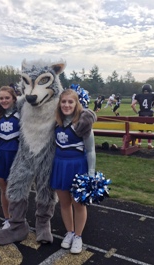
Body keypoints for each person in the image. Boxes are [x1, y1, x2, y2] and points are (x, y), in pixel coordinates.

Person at [50, 89, 96, 254]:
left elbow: (91, 151)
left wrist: (91, 173)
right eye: (64, 102)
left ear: (77, 104)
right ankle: (69, 232)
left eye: (71, 102)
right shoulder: (56, 122)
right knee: (64, 203)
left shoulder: (83, 124)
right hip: (60, 165)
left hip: (77, 166)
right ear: (59, 104)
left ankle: (78, 235)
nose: (67, 105)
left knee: (78, 204)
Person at [0, 86, 20, 230]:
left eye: (7, 98)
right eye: (1, 98)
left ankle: (18, 218)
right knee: (4, 190)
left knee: (17, 190)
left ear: (14, 98)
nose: (4, 100)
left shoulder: (21, 114)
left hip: (17, 156)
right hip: (1, 154)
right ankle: (7, 218)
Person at [131, 84, 154, 149]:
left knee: (141, 130)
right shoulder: (152, 95)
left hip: (141, 113)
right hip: (149, 113)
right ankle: (149, 144)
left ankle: (139, 143)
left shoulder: (139, 95)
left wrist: (136, 111)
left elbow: (132, 105)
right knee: (149, 130)